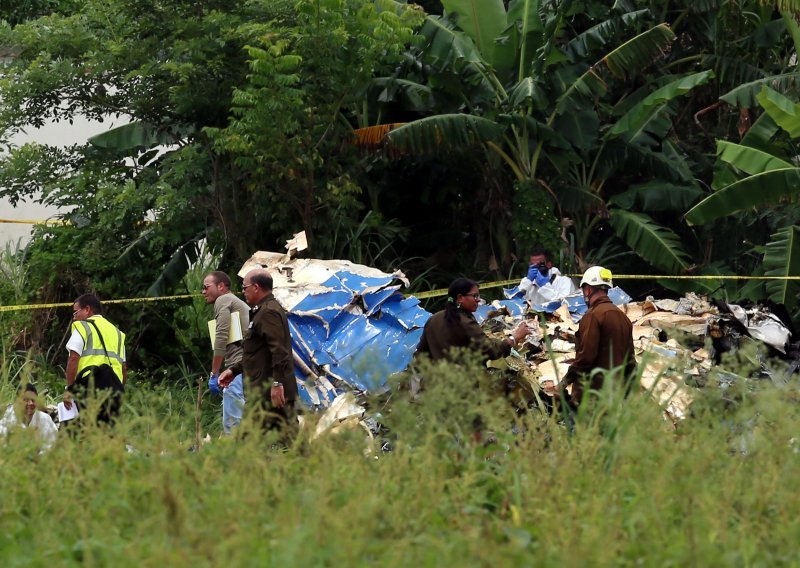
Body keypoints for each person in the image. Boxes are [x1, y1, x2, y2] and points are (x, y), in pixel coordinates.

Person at [219, 269, 297, 441]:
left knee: (248, 442)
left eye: (245, 287)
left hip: (270, 393)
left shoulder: (268, 312)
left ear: (256, 287)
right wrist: (234, 370)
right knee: (292, 442)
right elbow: (256, 353)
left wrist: (277, 384)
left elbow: (280, 351)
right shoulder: (261, 311)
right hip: (266, 392)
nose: (243, 291)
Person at [560, 266, 636, 408]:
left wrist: (565, 381)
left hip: (591, 398)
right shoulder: (623, 318)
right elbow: (630, 361)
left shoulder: (593, 316)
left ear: (587, 289)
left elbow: (586, 357)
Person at [416, 278, 529, 363]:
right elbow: (491, 351)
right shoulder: (465, 322)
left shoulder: (433, 319)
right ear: (460, 298)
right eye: (475, 296)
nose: (478, 300)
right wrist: (514, 338)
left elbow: (420, 355)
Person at [202, 270, 250, 434]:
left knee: (232, 423)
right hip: (247, 365)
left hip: (237, 366)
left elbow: (221, 336)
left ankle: (235, 457)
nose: (203, 291)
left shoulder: (223, 299)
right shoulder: (236, 302)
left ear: (221, 286)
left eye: (206, 287)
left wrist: (214, 373)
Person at [65, 293, 127, 424]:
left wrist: (70, 389)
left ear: (87, 309)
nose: (74, 319)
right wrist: (120, 391)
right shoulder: (117, 333)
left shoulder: (83, 327)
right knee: (109, 434)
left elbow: (73, 359)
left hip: (89, 389)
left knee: (88, 431)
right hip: (114, 391)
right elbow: (123, 367)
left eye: (75, 313)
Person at [0, 383, 58, 452]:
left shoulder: (44, 419)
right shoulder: (7, 419)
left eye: (33, 400)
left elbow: (53, 443)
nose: (31, 403)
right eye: (26, 400)